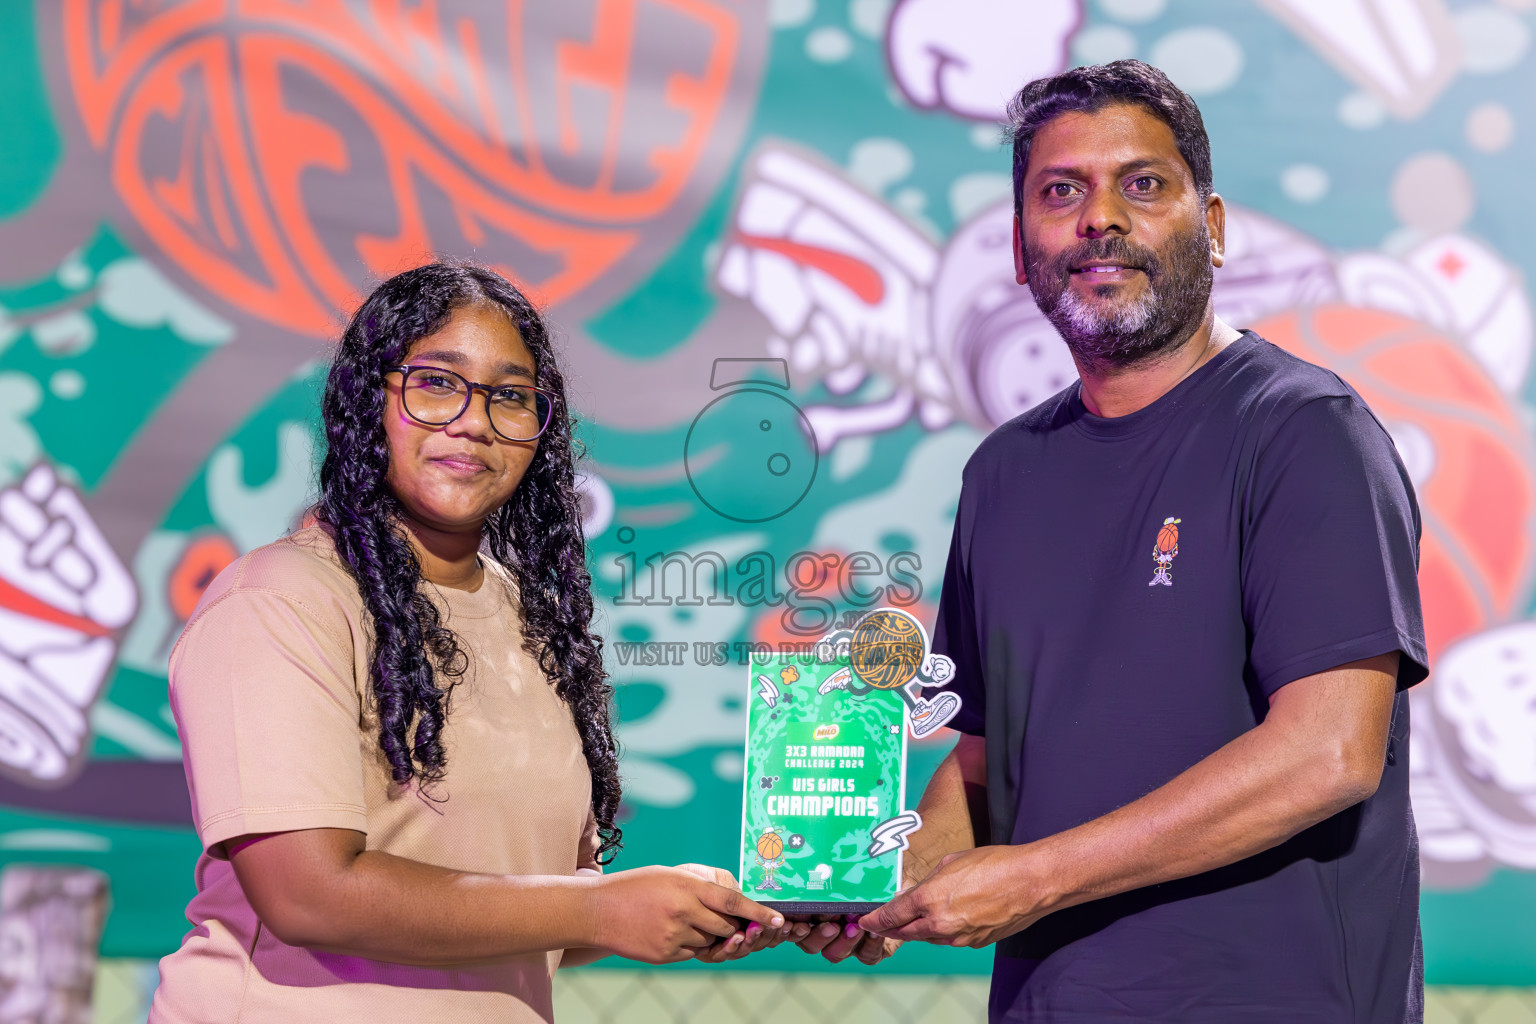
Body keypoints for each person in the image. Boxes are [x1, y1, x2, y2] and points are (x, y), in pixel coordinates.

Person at [802, 61, 1429, 1023]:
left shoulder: (1305, 431)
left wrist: (1035, 878)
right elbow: (983, 763)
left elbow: (1330, 754)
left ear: (1211, 228)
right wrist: (867, 880)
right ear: (1021, 248)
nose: (1101, 219)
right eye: (1062, 193)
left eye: (1143, 185)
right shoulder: (1004, 472)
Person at [150, 262, 790, 1023]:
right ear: (368, 402)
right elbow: (307, 896)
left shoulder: (528, 616)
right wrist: (596, 908)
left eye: (511, 397)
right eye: (436, 383)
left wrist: (674, 906)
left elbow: (535, 908)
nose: (475, 421)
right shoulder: (282, 600)